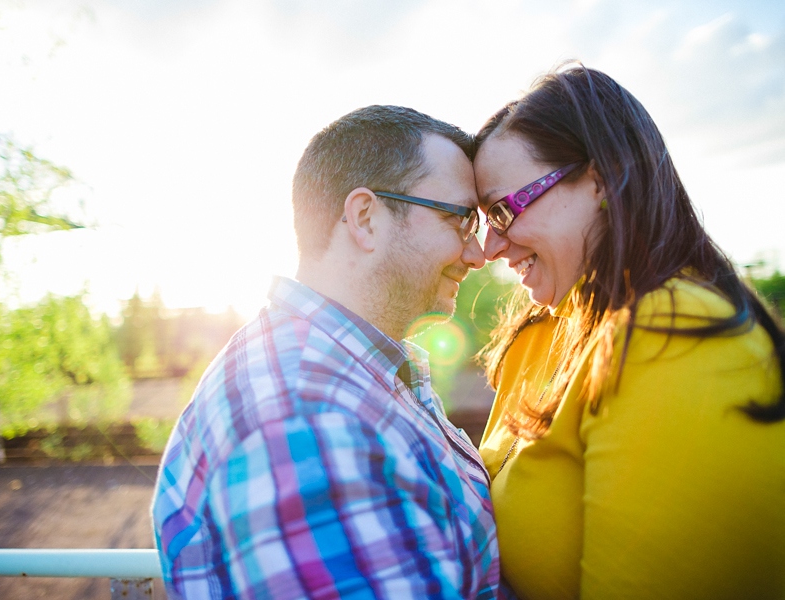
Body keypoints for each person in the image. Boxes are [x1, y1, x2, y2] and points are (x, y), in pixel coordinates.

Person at [152, 105, 500, 599]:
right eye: (459, 219)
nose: (478, 254)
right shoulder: (304, 414)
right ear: (365, 217)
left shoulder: (351, 373)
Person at [473, 63, 785, 599]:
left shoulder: (675, 334)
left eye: (505, 210)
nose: (490, 248)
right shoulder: (544, 331)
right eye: (482, 220)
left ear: (599, 180)